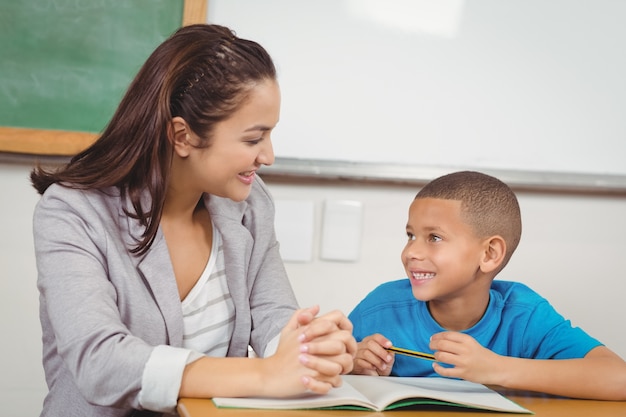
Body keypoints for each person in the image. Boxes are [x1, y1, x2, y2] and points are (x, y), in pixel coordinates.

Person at [31, 24, 356, 416]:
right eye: (253, 139)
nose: (268, 155)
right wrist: (264, 375)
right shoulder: (72, 212)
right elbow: (100, 361)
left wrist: (307, 347)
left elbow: (272, 314)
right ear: (182, 136)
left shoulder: (250, 205)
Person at [348, 170, 626, 400]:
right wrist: (351, 363)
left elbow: (619, 378)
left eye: (434, 238)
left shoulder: (524, 315)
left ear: (489, 254)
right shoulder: (381, 308)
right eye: (410, 236)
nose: (411, 252)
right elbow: (318, 368)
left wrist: (495, 368)